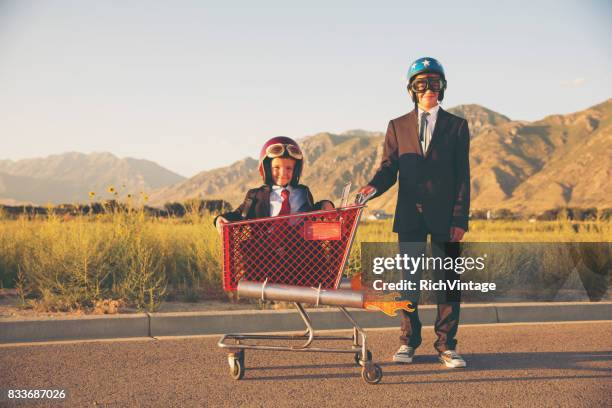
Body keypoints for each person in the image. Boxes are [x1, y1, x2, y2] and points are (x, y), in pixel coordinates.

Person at [358, 57, 470, 368]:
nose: (428, 89)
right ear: (411, 89)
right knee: (409, 282)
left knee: (447, 282)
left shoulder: (458, 126)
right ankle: (408, 342)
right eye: (421, 83)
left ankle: (447, 346)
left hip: (446, 218)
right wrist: (371, 188)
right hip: (409, 216)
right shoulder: (397, 126)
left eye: (434, 82)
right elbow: (388, 168)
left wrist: (460, 220)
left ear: (442, 87)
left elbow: (463, 175)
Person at [214, 136, 334, 232]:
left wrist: (325, 204)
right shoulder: (255, 195)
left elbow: (311, 212)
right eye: (276, 167)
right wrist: (220, 219)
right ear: (266, 169)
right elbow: (239, 215)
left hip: (298, 253)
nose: (283, 173)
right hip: (266, 255)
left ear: (296, 170)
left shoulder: (303, 192)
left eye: (289, 168)